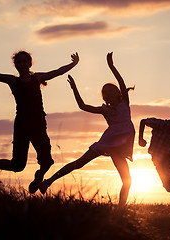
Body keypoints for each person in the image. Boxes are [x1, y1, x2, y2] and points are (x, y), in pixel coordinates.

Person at [0, 48, 79, 193]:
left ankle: (38, 178)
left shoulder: (38, 78)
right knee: (17, 166)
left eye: (25, 61)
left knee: (47, 162)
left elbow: (58, 72)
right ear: (15, 65)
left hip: (38, 124)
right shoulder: (13, 81)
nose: (22, 64)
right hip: (22, 125)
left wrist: (73, 64)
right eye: (19, 62)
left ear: (30, 63)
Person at [39, 52, 135, 207]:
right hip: (108, 141)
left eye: (111, 90)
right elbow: (82, 106)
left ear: (118, 93)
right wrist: (74, 88)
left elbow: (121, 81)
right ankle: (48, 182)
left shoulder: (125, 102)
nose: (108, 93)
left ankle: (121, 210)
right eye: (105, 93)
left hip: (120, 147)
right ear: (103, 98)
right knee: (80, 163)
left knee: (127, 180)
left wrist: (111, 66)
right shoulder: (105, 110)